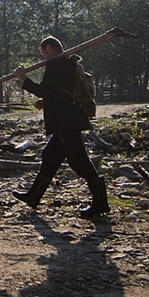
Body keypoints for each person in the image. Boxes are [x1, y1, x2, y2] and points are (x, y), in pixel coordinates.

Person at [11, 35, 109, 218]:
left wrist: (23, 78)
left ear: (50, 48)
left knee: (80, 161)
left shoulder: (56, 64)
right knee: (50, 156)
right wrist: (45, 101)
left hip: (66, 122)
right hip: (66, 120)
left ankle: (101, 202)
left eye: (44, 52)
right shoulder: (66, 63)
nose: (44, 56)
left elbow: (43, 88)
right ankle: (34, 196)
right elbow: (57, 91)